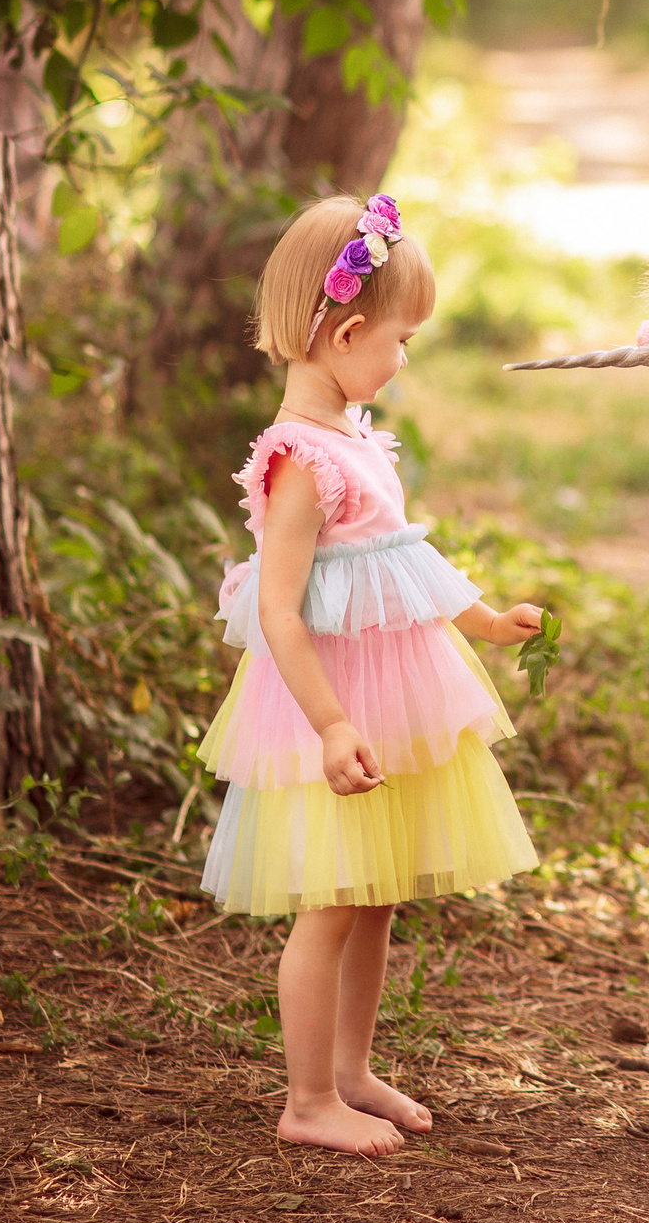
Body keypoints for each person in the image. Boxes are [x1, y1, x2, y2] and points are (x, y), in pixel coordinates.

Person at [200, 193, 542, 1156]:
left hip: (390, 690)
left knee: (377, 890)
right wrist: (332, 726)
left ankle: (351, 1071)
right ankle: (307, 1100)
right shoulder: (301, 461)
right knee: (334, 898)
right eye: (401, 338)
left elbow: (400, 562)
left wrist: (484, 620)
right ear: (347, 331)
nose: (404, 359)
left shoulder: (354, 434)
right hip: (334, 702)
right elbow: (278, 610)